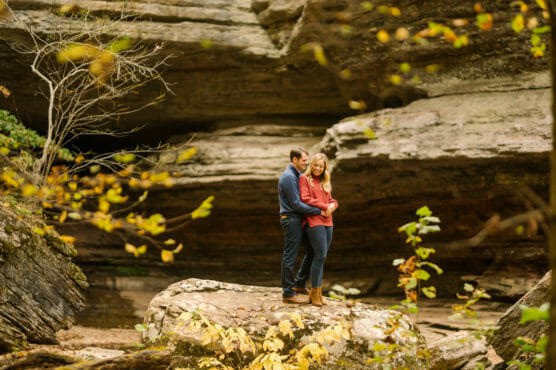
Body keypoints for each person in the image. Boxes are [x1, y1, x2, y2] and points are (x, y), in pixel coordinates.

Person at [278, 147, 325, 304]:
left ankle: (299, 284)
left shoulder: (298, 175)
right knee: (290, 255)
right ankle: (287, 293)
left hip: (300, 218)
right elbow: (297, 204)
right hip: (291, 218)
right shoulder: (288, 177)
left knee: (313, 250)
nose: (307, 163)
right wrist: (319, 210)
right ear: (295, 160)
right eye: (304, 160)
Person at [299, 153, 338, 307]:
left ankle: (319, 292)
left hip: (328, 221)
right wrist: (324, 206)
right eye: (315, 165)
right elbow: (305, 198)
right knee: (319, 254)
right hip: (314, 220)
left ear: (324, 168)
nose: (317, 168)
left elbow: (332, 200)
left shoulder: (325, 182)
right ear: (311, 165)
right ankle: (314, 292)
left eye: (320, 166)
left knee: (321, 256)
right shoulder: (304, 179)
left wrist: (333, 206)